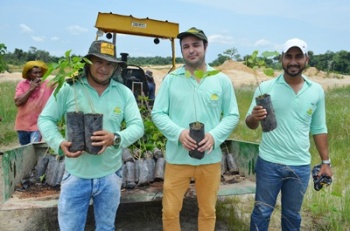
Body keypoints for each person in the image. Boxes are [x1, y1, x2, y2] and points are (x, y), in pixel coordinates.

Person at [38, 40, 144, 230]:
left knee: (106, 228)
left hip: (111, 175)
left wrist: (115, 137)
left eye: (109, 63)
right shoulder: (69, 88)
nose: (104, 68)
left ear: (115, 67)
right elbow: (46, 119)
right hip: (76, 174)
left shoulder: (123, 93)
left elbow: (137, 126)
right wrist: (58, 142)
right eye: (98, 62)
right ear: (87, 62)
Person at [151, 27, 240, 231]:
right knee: (170, 211)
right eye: (186, 46)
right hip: (177, 158)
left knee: (208, 211)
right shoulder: (171, 80)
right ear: (182, 51)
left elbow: (232, 114)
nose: (191, 50)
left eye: (196, 45)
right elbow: (158, 113)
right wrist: (179, 133)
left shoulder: (220, 80)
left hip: (210, 159)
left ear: (205, 47)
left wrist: (214, 136)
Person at [245, 38, 333, 230]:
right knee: (262, 212)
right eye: (289, 56)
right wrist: (254, 116)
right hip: (269, 163)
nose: (293, 61)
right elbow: (250, 124)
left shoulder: (316, 91)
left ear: (306, 60)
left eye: (298, 57)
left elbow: (319, 128)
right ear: (281, 59)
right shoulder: (266, 88)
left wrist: (326, 163)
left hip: (300, 165)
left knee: (292, 217)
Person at [14, 60, 54, 145]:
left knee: (33, 147)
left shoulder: (48, 84)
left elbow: (62, 89)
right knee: (25, 150)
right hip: (22, 125)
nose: (38, 75)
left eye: (40, 73)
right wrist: (31, 89)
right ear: (28, 74)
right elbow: (18, 102)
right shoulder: (21, 85)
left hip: (38, 124)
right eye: (35, 73)